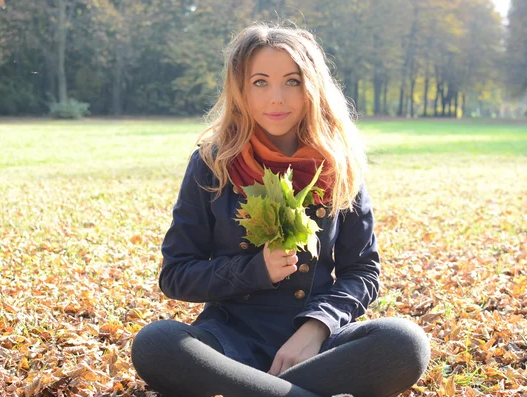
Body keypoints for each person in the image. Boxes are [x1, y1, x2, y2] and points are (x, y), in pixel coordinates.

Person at [131, 22, 430, 397]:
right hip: (228, 342)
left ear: (312, 88)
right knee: (157, 342)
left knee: (405, 343)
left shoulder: (338, 164)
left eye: (292, 81)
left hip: (317, 348)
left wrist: (316, 327)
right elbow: (175, 275)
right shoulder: (213, 163)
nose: (277, 99)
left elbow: (362, 271)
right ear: (240, 89)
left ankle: (252, 390)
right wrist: (254, 270)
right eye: (260, 82)